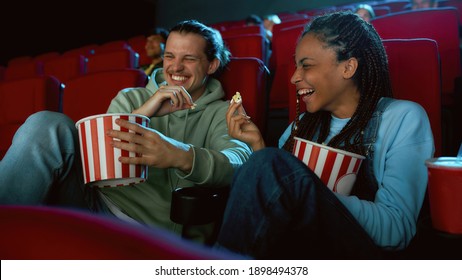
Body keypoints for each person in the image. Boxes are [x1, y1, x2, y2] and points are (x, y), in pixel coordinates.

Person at [0, 19, 252, 245]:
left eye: (189, 59)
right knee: (46, 123)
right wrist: (143, 113)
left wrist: (179, 155)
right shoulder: (131, 97)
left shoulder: (223, 111)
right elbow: (99, 166)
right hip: (93, 202)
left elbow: (239, 162)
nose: (175, 67)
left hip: (149, 230)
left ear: (211, 65)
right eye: (169, 56)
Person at [216, 11, 434, 259]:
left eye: (306, 65)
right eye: (296, 65)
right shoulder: (301, 125)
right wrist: (258, 146)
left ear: (348, 67)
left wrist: (306, 191)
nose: (294, 77)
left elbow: (397, 230)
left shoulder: (403, 118)